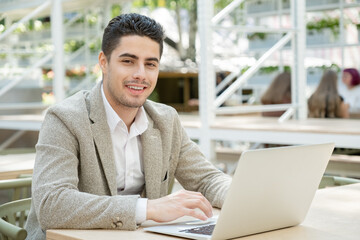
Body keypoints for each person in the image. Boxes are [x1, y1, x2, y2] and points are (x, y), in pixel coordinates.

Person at [25, 13, 231, 240]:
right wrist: (148, 208)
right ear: (103, 62)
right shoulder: (64, 119)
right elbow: (52, 204)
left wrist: (245, 196)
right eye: (128, 61)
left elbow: (207, 180)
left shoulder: (166, 120)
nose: (140, 74)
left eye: (150, 64)